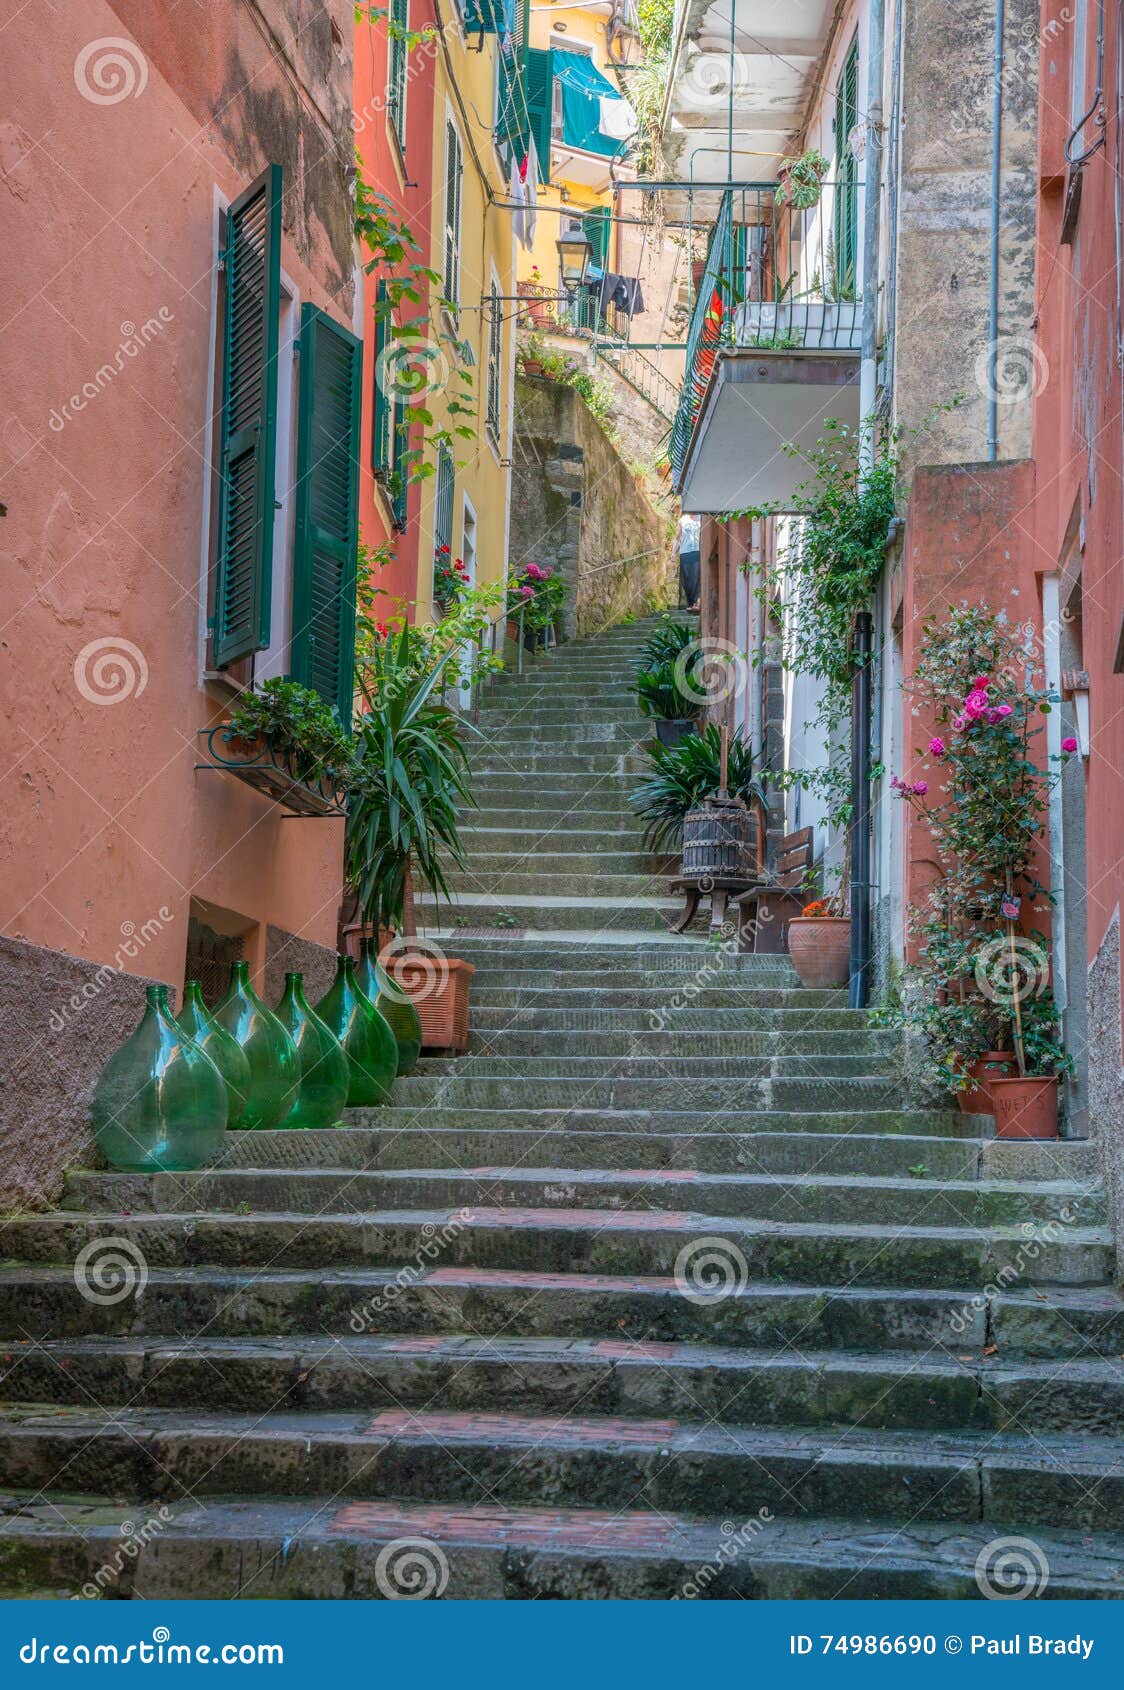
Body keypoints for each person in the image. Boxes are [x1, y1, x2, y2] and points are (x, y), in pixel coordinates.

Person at [678, 512, 701, 610]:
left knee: (695, 577)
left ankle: (695, 603)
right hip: (684, 552)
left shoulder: (701, 518)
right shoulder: (683, 519)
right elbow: (677, 538)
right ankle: (690, 602)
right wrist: (673, 553)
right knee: (685, 579)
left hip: (697, 551)